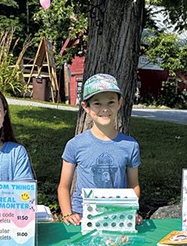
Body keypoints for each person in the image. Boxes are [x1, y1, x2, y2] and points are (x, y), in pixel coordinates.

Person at [58, 73, 142, 225]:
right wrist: (67, 214)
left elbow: (134, 186)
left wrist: (131, 211)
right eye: (97, 103)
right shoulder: (75, 144)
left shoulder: (130, 146)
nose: (105, 109)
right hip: (83, 218)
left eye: (110, 102)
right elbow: (64, 186)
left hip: (117, 217)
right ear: (86, 107)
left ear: (119, 103)